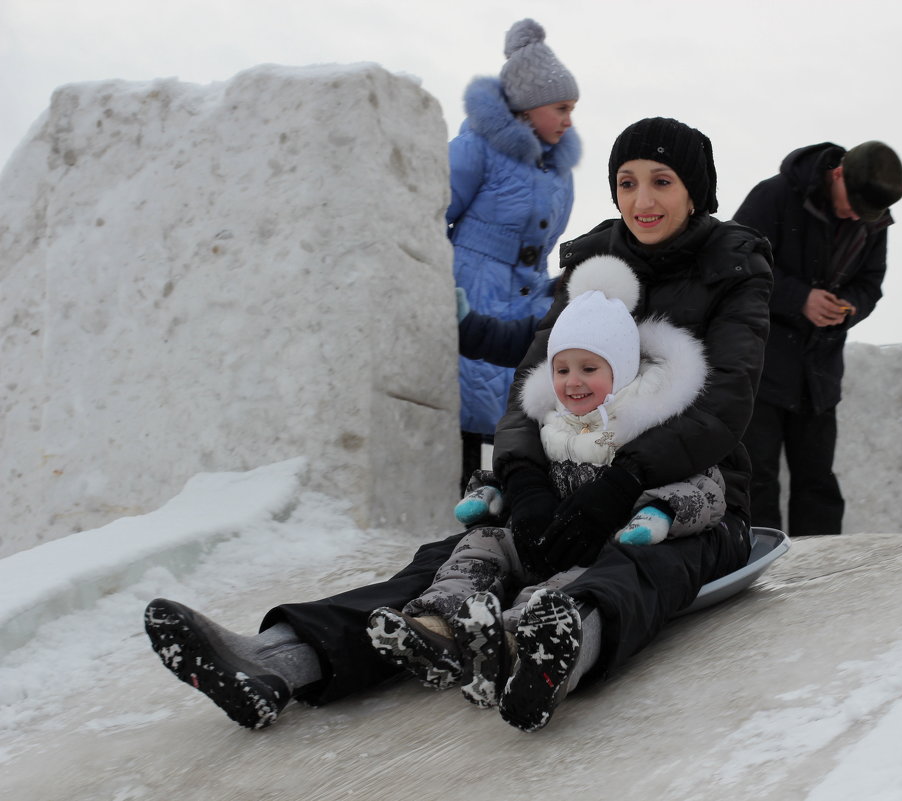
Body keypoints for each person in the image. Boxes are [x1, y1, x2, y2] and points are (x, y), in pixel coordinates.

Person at [144, 117, 772, 734]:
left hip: (686, 497)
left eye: (661, 182)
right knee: (453, 565)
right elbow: (533, 384)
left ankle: (554, 652)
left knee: (632, 569)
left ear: (694, 191)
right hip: (566, 474)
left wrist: (624, 482)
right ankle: (280, 660)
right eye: (627, 181)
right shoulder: (594, 266)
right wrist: (525, 484)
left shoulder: (734, 268)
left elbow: (725, 404)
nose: (642, 199)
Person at [367, 253, 727, 714]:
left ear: (621, 370)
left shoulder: (648, 424)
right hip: (539, 534)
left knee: (571, 585)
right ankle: (443, 622)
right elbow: (514, 470)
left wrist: (658, 514)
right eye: (562, 370)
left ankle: (517, 641)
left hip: (598, 545)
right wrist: (491, 492)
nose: (573, 383)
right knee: (481, 543)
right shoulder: (549, 422)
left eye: (589, 369)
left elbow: (704, 487)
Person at [734, 141, 902, 536]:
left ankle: (821, 582)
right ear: (839, 172)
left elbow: (870, 285)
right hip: (760, 368)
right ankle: (757, 575)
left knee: (818, 486)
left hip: (819, 374)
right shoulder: (774, 196)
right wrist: (800, 299)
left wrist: (849, 307)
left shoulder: (872, 218)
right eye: (852, 205)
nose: (854, 216)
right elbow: (735, 264)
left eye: (865, 213)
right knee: (756, 483)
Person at [448, 18, 582, 490]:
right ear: (527, 108)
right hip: (473, 284)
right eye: (561, 108)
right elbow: (432, 208)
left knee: (521, 397)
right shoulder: (475, 149)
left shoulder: (559, 172)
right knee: (468, 395)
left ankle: (509, 497)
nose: (569, 120)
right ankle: (460, 491)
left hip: (525, 291)